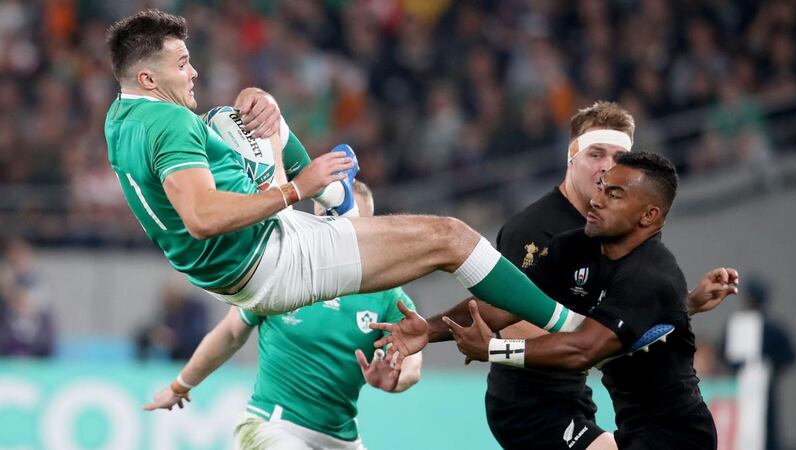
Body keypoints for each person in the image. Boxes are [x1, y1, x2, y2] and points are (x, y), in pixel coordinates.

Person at [104, 9, 583, 339]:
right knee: (450, 238)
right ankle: (576, 327)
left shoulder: (120, 118)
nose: (194, 72)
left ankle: (336, 197)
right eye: (183, 63)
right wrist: (296, 189)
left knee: (238, 114)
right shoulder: (171, 120)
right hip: (264, 259)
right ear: (148, 78)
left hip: (224, 267)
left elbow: (186, 177)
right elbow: (203, 216)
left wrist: (260, 101)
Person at [375, 102, 738, 450]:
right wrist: (430, 329)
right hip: (533, 405)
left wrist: (678, 305)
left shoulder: (648, 270)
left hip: (665, 432)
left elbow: (591, 343)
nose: (600, 193)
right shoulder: (556, 237)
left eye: (615, 187)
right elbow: (507, 305)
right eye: (597, 156)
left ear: (647, 215)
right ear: (571, 156)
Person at [143, 181, 422, 450]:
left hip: (341, 437)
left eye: (350, 218)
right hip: (272, 425)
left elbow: (411, 360)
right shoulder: (285, 269)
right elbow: (229, 333)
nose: (339, 226)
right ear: (316, 213)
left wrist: (398, 380)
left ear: (372, 227)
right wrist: (181, 385)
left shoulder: (387, 294)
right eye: (329, 214)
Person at [722, 275, 796, 450]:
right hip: (741, 383)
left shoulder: (770, 328)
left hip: (763, 384)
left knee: (763, 422)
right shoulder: (739, 325)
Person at [134, 280, 209, 361]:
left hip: (189, 351)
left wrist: (173, 337)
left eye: (171, 295)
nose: (168, 299)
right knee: (143, 336)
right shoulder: (167, 308)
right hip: (171, 350)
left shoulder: (196, 309)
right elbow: (157, 327)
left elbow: (196, 334)